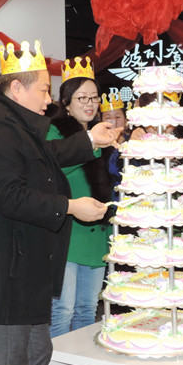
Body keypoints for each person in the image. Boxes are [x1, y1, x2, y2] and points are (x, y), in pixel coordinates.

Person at [0, 40, 121, 365]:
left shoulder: (20, 126)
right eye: (44, 90)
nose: (49, 100)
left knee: (37, 353)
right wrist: (70, 206)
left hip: (26, 270)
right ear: (17, 88)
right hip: (6, 274)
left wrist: (91, 139)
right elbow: (10, 196)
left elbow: (48, 156)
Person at [48, 57, 112, 336]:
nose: (90, 104)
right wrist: (91, 145)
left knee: (88, 307)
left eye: (94, 97)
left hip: (97, 231)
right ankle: (58, 361)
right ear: (66, 102)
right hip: (68, 231)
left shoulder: (102, 132)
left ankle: (82, 363)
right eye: (82, 97)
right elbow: (52, 171)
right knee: (63, 309)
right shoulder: (54, 131)